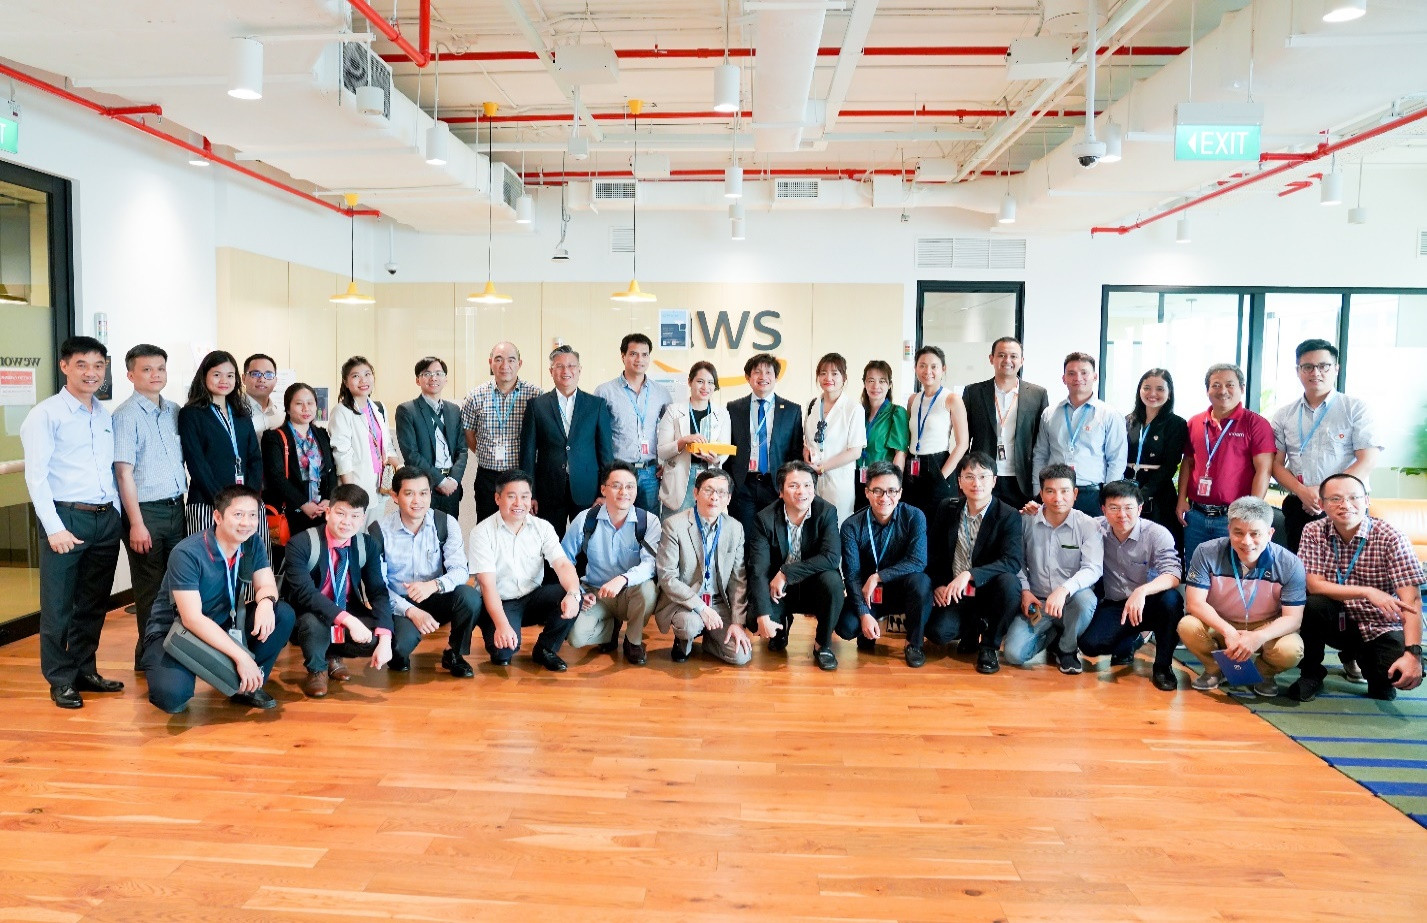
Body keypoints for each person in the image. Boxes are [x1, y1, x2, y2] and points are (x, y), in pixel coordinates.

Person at [20, 335, 124, 709]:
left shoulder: (105, 415)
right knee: (58, 607)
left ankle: (84, 670)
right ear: (64, 366)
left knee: (93, 604)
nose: (91, 373)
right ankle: (60, 679)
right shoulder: (46, 415)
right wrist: (54, 527)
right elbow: (36, 476)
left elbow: (110, 471)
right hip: (66, 517)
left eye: (98, 365)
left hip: (105, 519)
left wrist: (117, 514)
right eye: (81, 364)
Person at [141, 485, 295, 713]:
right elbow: (192, 619)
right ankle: (232, 668)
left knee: (282, 614)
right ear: (218, 517)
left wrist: (265, 602)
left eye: (253, 515)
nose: (246, 523)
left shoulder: (252, 542)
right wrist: (241, 656)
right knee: (172, 697)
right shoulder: (187, 553)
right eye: (238, 514)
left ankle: (248, 685)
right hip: (176, 630)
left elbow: (266, 585)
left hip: (224, 623)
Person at [1287, 473, 1423, 702]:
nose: (1345, 505)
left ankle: (1368, 665)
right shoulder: (1314, 531)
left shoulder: (1391, 537)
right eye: (1335, 499)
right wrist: (1367, 591)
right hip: (1336, 618)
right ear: (1321, 504)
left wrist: (1413, 654)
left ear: (1367, 500)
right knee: (1312, 604)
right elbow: (1314, 584)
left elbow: (1412, 601)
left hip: (1379, 623)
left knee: (1391, 680)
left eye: (1354, 497)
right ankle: (1311, 673)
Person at [1179, 496, 1306, 697]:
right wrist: (1228, 631)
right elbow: (1195, 603)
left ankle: (1263, 674)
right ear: (1229, 529)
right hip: (1220, 621)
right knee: (1188, 626)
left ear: (1270, 533)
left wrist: (1258, 636)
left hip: (1265, 624)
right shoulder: (1206, 552)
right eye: (1238, 533)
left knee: (1291, 649)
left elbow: (1293, 618)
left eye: (1255, 534)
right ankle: (1215, 669)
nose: (1246, 542)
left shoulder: (1290, 564)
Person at [112, 343, 187, 671]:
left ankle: (165, 652)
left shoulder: (173, 410)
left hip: (176, 508)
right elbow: (123, 473)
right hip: (145, 513)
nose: (155, 375)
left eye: (160, 368)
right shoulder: (125, 416)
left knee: (176, 585)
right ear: (131, 375)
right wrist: (136, 523)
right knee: (150, 590)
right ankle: (151, 659)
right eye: (146, 369)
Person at [283, 484, 393, 697]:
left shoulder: (367, 544)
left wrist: (386, 638)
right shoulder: (301, 543)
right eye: (340, 513)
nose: (346, 522)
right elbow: (306, 594)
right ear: (328, 513)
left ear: (362, 519)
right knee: (312, 624)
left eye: (355, 516)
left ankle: (332, 655)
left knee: (381, 635)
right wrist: (349, 621)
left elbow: (378, 592)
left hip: (346, 607)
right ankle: (317, 669)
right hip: (309, 611)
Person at [1270, 339, 1380, 553]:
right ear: (1298, 371)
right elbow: (1275, 464)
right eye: (1307, 367)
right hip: (1300, 505)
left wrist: (1325, 494)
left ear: (1336, 369)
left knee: (1349, 567)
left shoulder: (1355, 409)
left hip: (1346, 505)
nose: (1316, 372)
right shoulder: (1284, 415)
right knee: (1300, 568)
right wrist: (1302, 492)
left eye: (1323, 366)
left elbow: (1367, 459)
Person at [467, 470, 582, 671]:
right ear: (497, 498)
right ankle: (493, 627)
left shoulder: (542, 527)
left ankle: (545, 649)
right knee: (503, 653)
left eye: (525, 496)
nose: (519, 503)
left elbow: (562, 564)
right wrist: (502, 625)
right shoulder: (482, 533)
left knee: (573, 593)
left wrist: (573, 593)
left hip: (532, 597)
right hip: (500, 602)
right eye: (511, 496)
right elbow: (487, 585)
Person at [1077, 480, 1184, 692]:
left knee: (1172, 601)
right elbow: (1064, 520)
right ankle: (1133, 639)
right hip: (1116, 604)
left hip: (1150, 602)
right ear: (1103, 509)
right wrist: (1035, 511)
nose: (1122, 515)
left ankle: (1163, 666)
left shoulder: (1156, 533)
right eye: (1114, 508)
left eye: (1128, 508)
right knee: (1090, 645)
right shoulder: (1094, 528)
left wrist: (1142, 591)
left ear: (1140, 508)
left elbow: (1173, 575)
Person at [372, 466, 478, 678]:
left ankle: (454, 653)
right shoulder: (378, 531)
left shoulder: (445, 523)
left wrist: (434, 585)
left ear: (430, 493)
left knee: (470, 597)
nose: (417, 501)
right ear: (395, 496)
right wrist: (411, 611)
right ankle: (400, 650)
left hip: (434, 595)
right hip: (399, 603)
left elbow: (460, 571)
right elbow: (377, 588)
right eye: (409, 494)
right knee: (399, 650)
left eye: (423, 493)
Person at [925, 451, 1024, 674]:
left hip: (989, 591)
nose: (976, 483)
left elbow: (1011, 561)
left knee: (1010, 585)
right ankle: (971, 630)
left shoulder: (1008, 515)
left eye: (983, 476)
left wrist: (971, 574)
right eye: (969, 476)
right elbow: (934, 552)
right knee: (937, 632)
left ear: (994, 481)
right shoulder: (947, 508)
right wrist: (938, 584)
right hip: (955, 593)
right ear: (959, 481)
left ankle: (989, 646)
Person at [1003, 464, 1102, 672]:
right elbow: (1016, 560)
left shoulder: (1088, 525)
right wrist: (1025, 591)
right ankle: (1054, 636)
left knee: (1086, 601)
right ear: (1041, 494)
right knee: (1013, 654)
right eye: (1050, 491)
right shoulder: (1026, 520)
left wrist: (1064, 589)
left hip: (1072, 600)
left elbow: (1093, 568)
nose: (1058, 498)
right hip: (1037, 601)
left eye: (1065, 491)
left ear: (1075, 494)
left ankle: (1067, 649)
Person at [561, 463, 662, 665]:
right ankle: (611, 630)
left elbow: (651, 564)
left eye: (630, 486)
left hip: (630, 592)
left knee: (648, 591)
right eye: (616, 486)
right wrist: (577, 591)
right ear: (603, 489)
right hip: (596, 593)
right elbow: (563, 560)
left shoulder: (648, 522)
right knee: (575, 637)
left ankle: (633, 641)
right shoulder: (586, 519)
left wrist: (623, 579)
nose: (624, 492)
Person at [747, 461, 845, 670]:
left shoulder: (826, 512)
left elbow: (831, 558)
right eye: (793, 486)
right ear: (781, 491)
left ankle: (823, 645)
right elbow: (758, 569)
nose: (802, 491)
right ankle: (781, 626)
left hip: (813, 584)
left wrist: (786, 572)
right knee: (755, 621)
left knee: (833, 582)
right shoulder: (764, 519)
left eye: (807, 485)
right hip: (778, 590)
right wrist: (763, 614)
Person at [836, 461, 932, 668]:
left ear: (900, 493)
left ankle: (914, 644)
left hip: (902, 590)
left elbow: (918, 561)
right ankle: (870, 626)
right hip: (868, 595)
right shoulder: (851, 526)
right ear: (867, 492)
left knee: (921, 582)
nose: (884, 498)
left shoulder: (914, 517)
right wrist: (864, 614)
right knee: (845, 627)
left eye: (891, 491)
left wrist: (878, 576)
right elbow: (852, 575)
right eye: (877, 491)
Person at [1176, 363, 1275, 564]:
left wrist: (1251, 513)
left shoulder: (1256, 424)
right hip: (1196, 515)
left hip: (1233, 517)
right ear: (1207, 390)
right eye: (1216, 385)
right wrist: (1181, 499)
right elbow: (1188, 462)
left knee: (1231, 572)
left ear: (1242, 388)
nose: (1223, 391)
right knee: (1195, 569)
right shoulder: (1195, 422)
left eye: (1230, 384)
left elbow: (1263, 470)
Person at [653, 468, 753, 665]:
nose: (714, 497)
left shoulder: (735, 528)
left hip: (718, 602)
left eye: (721, 493)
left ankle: (710, 639)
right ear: (696, 493)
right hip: (685, 601)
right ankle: (684, 638)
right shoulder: (674, 525)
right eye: (708, 490)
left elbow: (738, 579)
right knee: (689, 625)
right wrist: (701, 608)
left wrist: (737, 623)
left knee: (741, 656)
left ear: (728, 499)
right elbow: (667, 577)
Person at [520, 345, 614, 536]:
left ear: (579, 370)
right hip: (548, 490)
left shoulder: (596, 405)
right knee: (549, 544)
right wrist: (529, 493)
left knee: (587, 543)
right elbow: (527, 454)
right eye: (559, 366)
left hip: (588, 490)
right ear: (551, 371)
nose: (566, 371)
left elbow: (606, 453)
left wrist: (605, 493)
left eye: (571, 366)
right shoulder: (537, 406)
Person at [1030, 352, 1127, 517]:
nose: (1078, 378)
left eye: (1084, 372)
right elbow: (1040, 454)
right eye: (1071, 373)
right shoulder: (1050, 413)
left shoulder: (1109, 415)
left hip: (1093, 494)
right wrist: (1038, 490)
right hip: (1056, 493)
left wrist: (1109, 497)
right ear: (1064, 378)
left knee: (1092, 534)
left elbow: (1116, 460)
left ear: (1094, 376)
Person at [178, 350, 263, 535]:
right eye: (217, 375)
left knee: (250, 553)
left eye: (230, 375)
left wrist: (249, 498)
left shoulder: (241, 414)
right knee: (209, 553)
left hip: (247, 505)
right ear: (204, 376)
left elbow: (255, 459)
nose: (224, 380)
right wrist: (224, 502)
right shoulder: (191, 414)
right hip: (208, 504)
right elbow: (197, 465)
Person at [962, 337, 1049, 510]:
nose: (1007, 360)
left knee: (1019, 524)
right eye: (1001, 355)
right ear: (991, 358)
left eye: (1013, 356)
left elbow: (1041, 442)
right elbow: (964, 439)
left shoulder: (1037, 394)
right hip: (983, 477)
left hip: (1021, 479)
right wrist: (963, 474)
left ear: (1021, 360)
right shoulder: (973, 392)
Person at [462, 341, 541, 522]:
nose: (505, 365)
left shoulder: (536, 395)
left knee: (522, 528)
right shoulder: (475, 396)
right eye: (498, 359)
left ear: (519, 363)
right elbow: (468, 433)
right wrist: (486, 452)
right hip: (488, 477)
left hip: (523, 475)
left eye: (511, 360)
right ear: (490, 362)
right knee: (487, 526)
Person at [594, 333, 674, 513]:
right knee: (617, 519)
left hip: (650, 472)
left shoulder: (661, 393)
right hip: (618, 471)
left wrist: (667, 462)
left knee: (649, 523)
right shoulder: (605, 392)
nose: (639, 359)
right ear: (623, 356)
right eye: (633, 354)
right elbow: (596, 436)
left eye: (645, 354)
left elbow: (672, 431)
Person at [725, 353, 804, 533]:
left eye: (768, 372)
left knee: (774, 536)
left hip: (776, 485)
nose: (763, 377)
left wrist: (789, 485)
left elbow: (795, 452)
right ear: (748, 377)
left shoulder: (792, 410)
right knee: (744, 536)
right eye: (757, 372)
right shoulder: (734, 408)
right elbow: (728, 448)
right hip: (743, 485)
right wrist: (731, 484)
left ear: (776, 377)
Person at [328, 355, 399, 527]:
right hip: (357, 485)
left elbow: (387, 445)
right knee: (355, 533)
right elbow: (342, 455)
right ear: (346, 382)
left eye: (367, 374)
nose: (363, 380)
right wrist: (351, 492)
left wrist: (400, 468)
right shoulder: (341, 411)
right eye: (355, 376)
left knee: (373, 534)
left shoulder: (379, 408)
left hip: (381, 486)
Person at [394, 356, 469, 520]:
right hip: (423, 486)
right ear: (418, 380)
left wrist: (453, 480)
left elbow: (462, 449)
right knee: (422, 532)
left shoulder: (454, 410)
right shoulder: (407, 410)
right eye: (427, 374)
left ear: (445, 379)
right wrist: (440, 481)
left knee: (449, 532)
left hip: (451, 487)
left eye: (438, 373)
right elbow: (411, 454)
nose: (433, 378)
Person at [262, 382, 335, 543]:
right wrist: (303, 504)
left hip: (321, 510)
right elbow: (276, 477)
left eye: (310, 403)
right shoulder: (274, 438)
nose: (306, 408)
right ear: (288, 408)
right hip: (291, 512)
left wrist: (329, 499)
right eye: (299, 404)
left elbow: (331, 470)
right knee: (293, 554)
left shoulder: (322, 434)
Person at [903, 345, 969, 522]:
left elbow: (962, 444)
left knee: (938, 526)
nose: (928, 371)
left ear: (943, 369)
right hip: (913, 466)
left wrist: (942, 476)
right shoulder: (913, 400)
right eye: (922, 365)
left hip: (938, 465)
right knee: (912, 522)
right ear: (915, 368)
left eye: (934, 366)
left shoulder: (952, 399)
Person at [1124, 368, 1188, 550]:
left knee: (1160, 547)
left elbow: (1170, 466)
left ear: (1169, 393)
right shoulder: (1128, 420)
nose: (1152, 394)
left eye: (1160, 389)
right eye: (1147, 388)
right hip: (1127, 491)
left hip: (1159, 495)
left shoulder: (1177, 424)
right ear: (1139, 390)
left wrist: (1142, 495)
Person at [657, 361, 731, 518]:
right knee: (674, 527)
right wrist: (683, 441)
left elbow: (724, 450)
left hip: (709, 476)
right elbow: (662, 451)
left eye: (710, 382)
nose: (705, 387)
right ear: (690, 382)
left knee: (705, 527)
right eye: (700, 381)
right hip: (680, 478)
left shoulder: (722, 413)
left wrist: (715, 459)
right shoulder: (673, 411)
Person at [802, 353, 867, 524]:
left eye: (834, 373)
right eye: (823, 373)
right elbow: (807, 441)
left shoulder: (853, 408)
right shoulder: (812, 405)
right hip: (812, 480)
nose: (828, 378)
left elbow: (855, 451)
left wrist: (823, 467)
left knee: (836, 526)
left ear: (844, 378)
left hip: (839, 482)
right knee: (812, 526)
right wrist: (806, 453)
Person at [853, 360, 910, 512]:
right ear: (864, 383)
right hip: (857, 479)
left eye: (882, 381)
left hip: (882, 482)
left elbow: (900, 454)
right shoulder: (858, 413)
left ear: (889, 385)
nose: (875, 386)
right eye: (871, 380)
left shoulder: (896, 413)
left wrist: (894, 487)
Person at [242, 353, 285, 435]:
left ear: (275, 380)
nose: (262, 379)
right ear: (243, 378)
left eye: (268, 374)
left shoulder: (281, 416)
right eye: (255, 374)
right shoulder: (232, 411)